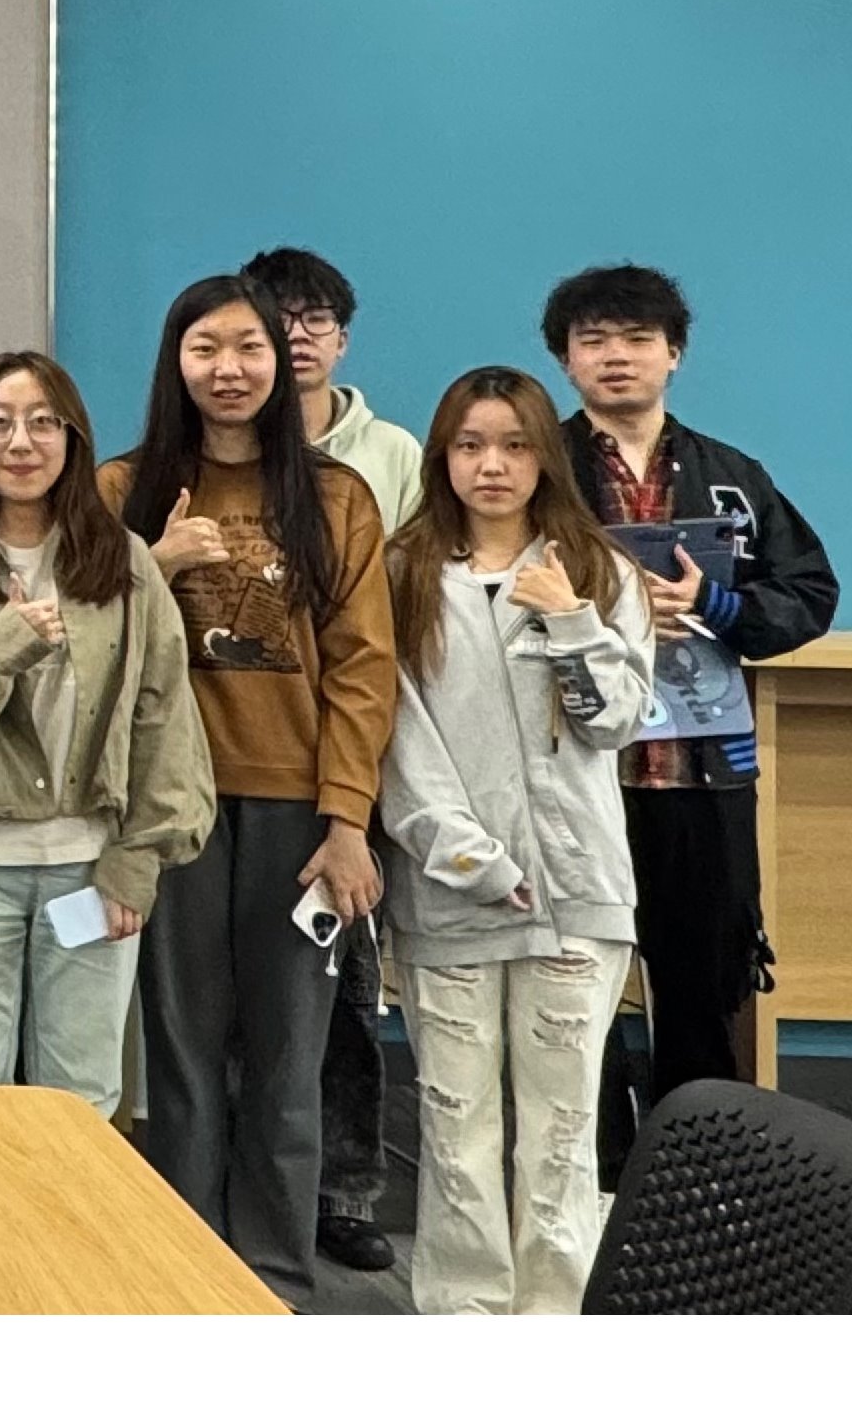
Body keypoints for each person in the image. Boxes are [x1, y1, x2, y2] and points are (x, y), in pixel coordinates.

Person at [100, 274, 394, 1309]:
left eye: (247, 348)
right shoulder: (121, 488)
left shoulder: (335, 497)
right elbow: (83, 640)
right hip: (164, 812)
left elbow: (363, 669)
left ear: (281, 360)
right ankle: (181, 1274)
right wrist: (150, 561)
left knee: (287, 1057)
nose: (226, 370)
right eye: (203, 349)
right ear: (173, 362)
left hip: (295, 815)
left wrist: (346, 821)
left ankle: (273, 1282)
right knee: (177, 1055)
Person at [377, 366, 653, 1315]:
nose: (490, 466)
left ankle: (552, 1323)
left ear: (545, 457)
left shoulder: (600, 571)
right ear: (442, 456)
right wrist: (468, 856)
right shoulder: (400, 572)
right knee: (453, 1123)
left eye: (513, 445)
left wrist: (569, 618)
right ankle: (464, 1319)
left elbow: (614, 721)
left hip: (576, 895)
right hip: (450, 891)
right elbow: (394, 736)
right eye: (469, 445)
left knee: (561, 1130)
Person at [0, 352, 212, 1111]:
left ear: (73, 439)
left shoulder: (124, 561)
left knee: (82, 1090)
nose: (20, 442)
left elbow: (163, 717)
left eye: (42, 423)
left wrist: (137, 859)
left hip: (89, 866)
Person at [545, 264, 836, 1107]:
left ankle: (694, 1162)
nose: (616, 357)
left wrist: (713, 603)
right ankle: (590, 1165)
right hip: (574, 773)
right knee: (572, 990)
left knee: (705, 983)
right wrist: (601, 612)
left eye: (637, 339)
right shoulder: (537, 469)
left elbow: (808, 594)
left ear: (673, 353)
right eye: (593, 341)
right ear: (564, 360)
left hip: (701, 771)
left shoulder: (732, 474)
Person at [237, 244, 419, 1274]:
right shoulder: (212, 450)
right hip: (242, 759)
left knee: (343, 987)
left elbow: (404, 605)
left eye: (314, 319)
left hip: (354, 751)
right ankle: (240, 1187)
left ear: (340, 339)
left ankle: (342, 1190)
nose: (295, 336)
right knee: (237, 998)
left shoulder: (388, 454)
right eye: (277, 319)